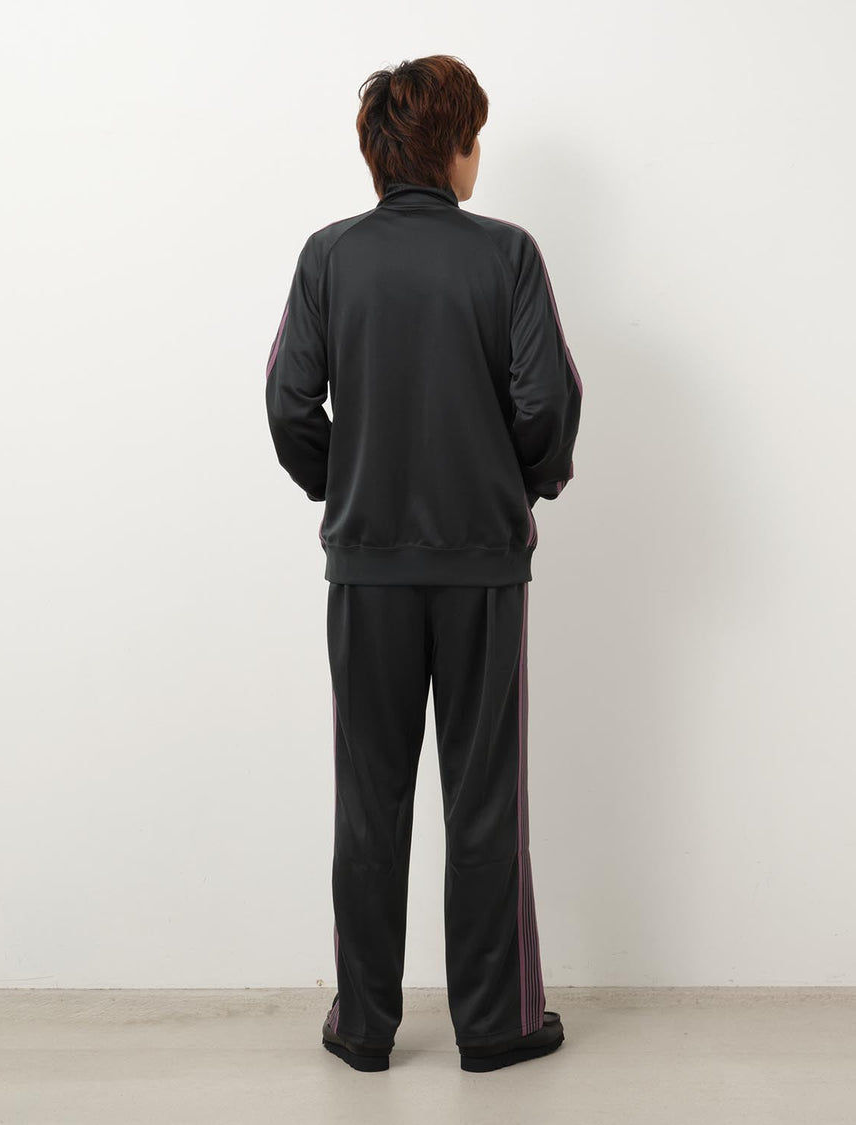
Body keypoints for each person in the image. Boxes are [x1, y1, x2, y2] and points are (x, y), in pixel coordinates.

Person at [265, 54, 583, 1073]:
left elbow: (287, 404)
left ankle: (363, 1027)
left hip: (367, 572)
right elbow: (549, 405)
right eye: (474, 137)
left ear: (378, 154)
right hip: (482, 568)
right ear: (453, 149)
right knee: (484, 798)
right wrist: (513, 486)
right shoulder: (508, 256)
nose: (477, 154)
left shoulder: (328, 257)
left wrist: (347, 487)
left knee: (370, 799)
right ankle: (495, 1026)